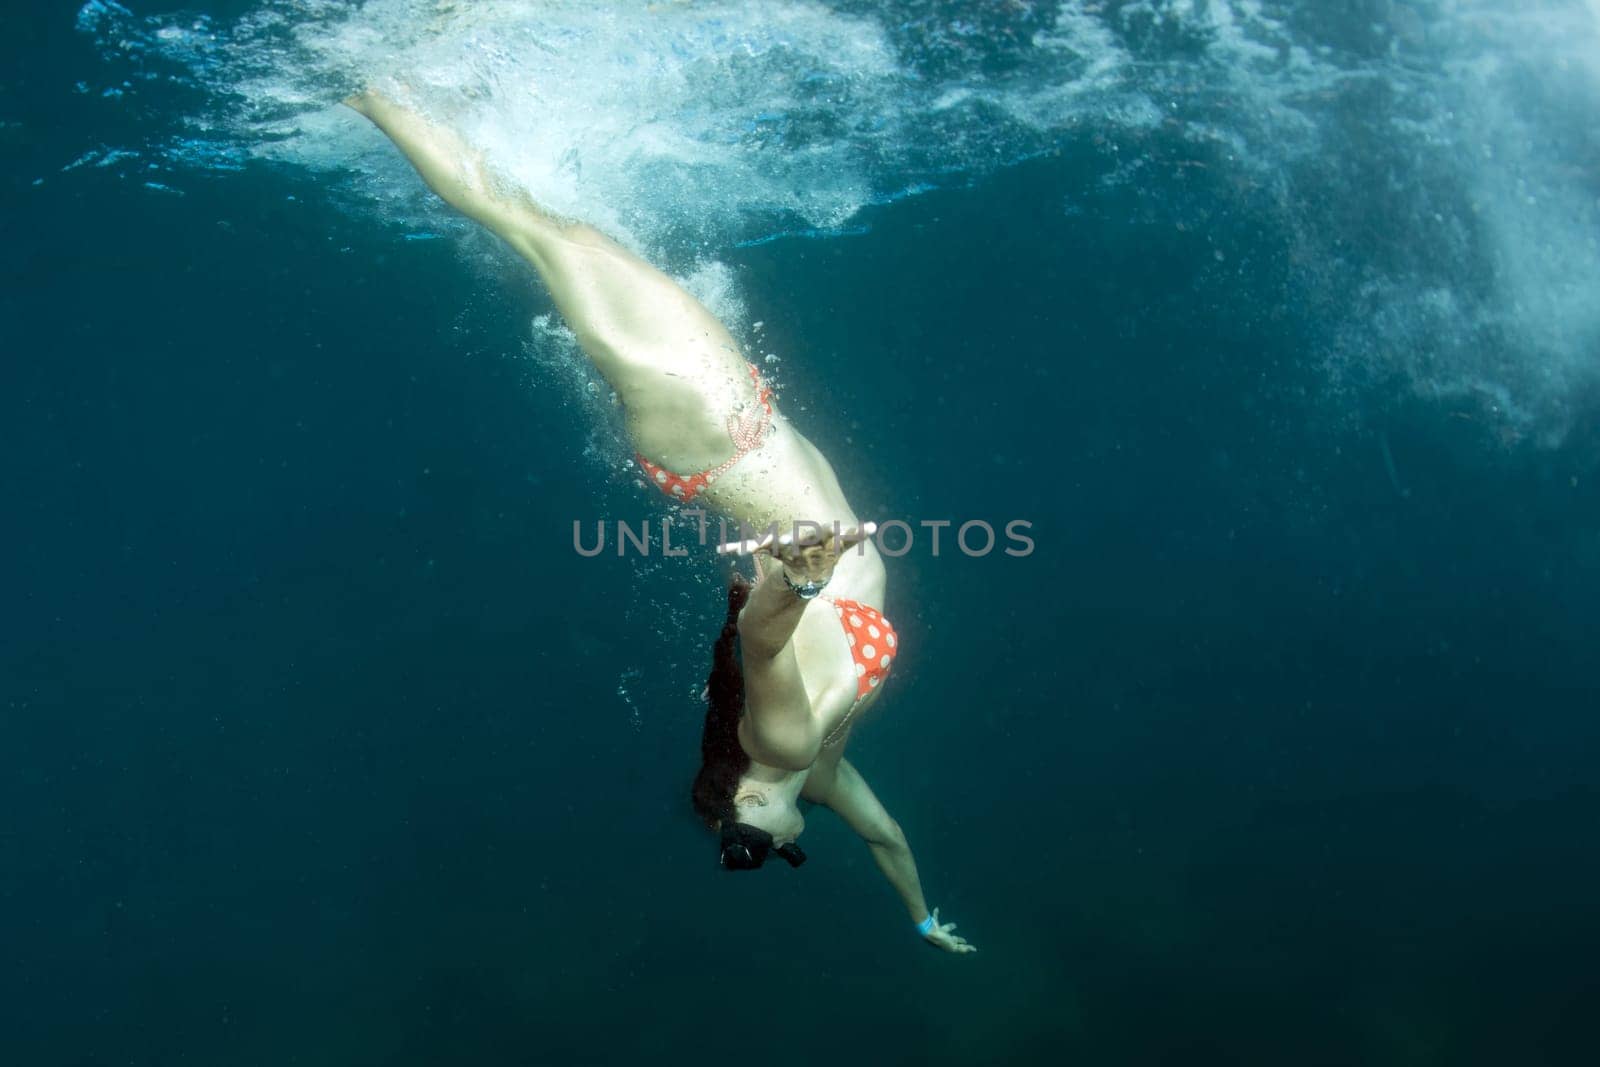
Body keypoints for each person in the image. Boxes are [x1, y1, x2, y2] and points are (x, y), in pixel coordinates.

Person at [346, 88, 974, 954]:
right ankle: (443, 96)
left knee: (536, 232)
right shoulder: (819, 768)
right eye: (767, 851)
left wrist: (798, 576)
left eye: (754, 842)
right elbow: (887, 837)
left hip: (718, 431)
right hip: (724, 438)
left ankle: (369, 89)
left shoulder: (780, 739)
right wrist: (923, 917)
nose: (780, 843)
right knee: (571, 238)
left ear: (745, 800)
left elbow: (760, 640)